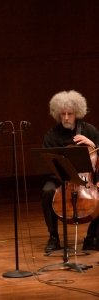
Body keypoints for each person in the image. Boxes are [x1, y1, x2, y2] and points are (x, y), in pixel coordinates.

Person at [41, 90, 99, 252]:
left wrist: (93, 146)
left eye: (70, 114)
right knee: (47, 191)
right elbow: (48, 163)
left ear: (77, 113)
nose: (66, 117)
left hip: (88, 179)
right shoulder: (52, 135)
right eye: (63, 114)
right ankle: (53, 236)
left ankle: (92, 237)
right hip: (62, 178)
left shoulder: (90, 131)